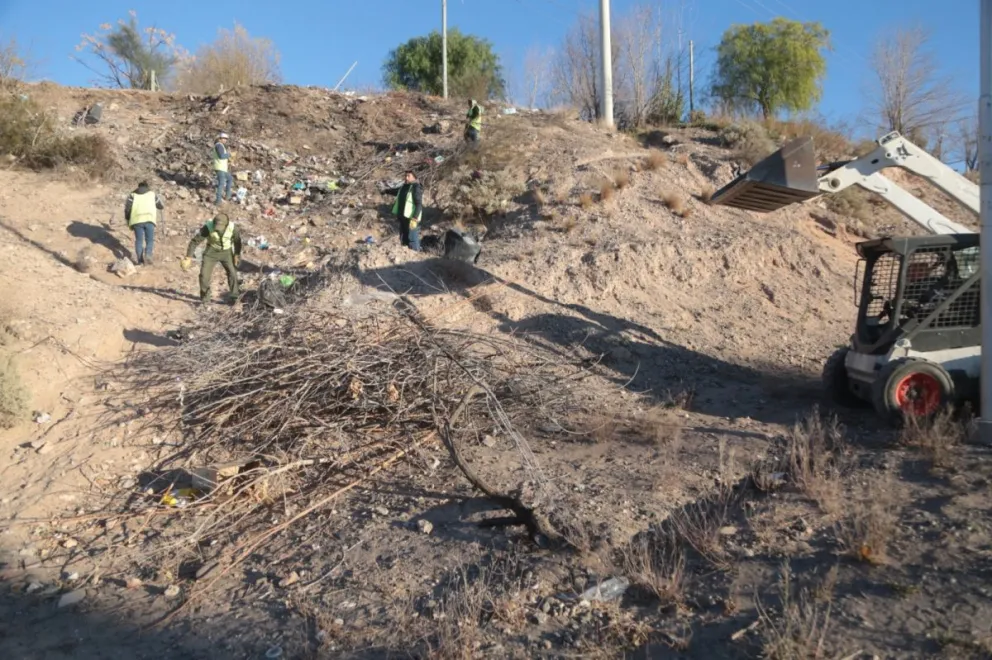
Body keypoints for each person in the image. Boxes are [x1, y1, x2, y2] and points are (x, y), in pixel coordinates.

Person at [181, 213, 242, 304]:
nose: (217, 228)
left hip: (226, 252)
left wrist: (237, 254)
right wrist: (188, 257)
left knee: (232, 273)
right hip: (211, 252)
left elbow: (237, 242)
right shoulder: (208, 227)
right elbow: (195, 241)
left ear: (226, 224)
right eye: (216, 226)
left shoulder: (233, 228)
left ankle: (234, 296)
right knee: (204, 275)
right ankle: (205, 298)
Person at [124, 181, 165, 266]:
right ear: (147, 187)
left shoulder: (133, 195)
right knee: (149, 240)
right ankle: (148, 255)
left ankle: (140, 261)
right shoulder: (152, 194)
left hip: (136, 220)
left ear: (138, 187)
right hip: (149, 219)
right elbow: (160, 206)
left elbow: (127, 209)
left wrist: (128, 220)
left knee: (139, 241)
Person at [392, 170, 422, 252]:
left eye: (409, 176)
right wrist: (385, 191)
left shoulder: (416, 187)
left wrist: (415, 218)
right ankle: (406, 255)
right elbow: (395, 191)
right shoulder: (404, 187)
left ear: (414, 177)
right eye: (405, 175)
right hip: (402, 216)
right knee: (404, 237)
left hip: (411, 218)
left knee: (412, 238)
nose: (406, 177)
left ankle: (415, 257)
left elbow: (419, 204)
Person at [212, 132, 233, 205]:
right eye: (224, 139)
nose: (225, 140)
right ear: (220, 139)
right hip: (220, 167)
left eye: (226, 139)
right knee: (221, 184)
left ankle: (227, 196)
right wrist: (229, 155)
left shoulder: (221, 146)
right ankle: (218, 201)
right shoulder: (219, 145)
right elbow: (221, 156)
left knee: (230, 179)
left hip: (223, 168)